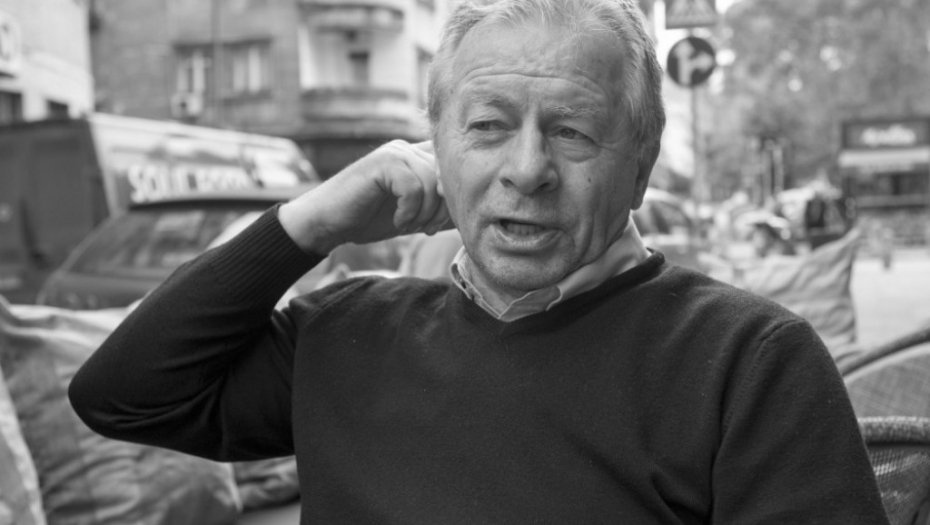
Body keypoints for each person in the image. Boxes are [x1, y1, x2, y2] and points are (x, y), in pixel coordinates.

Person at [68, 0, 889, 523]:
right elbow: (121, 395)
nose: (526, 169)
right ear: (436, 145)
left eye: (572, 131)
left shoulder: (746, 362)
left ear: (640, 166)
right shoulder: (346, 333)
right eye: (488, 126)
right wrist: (306, 223)